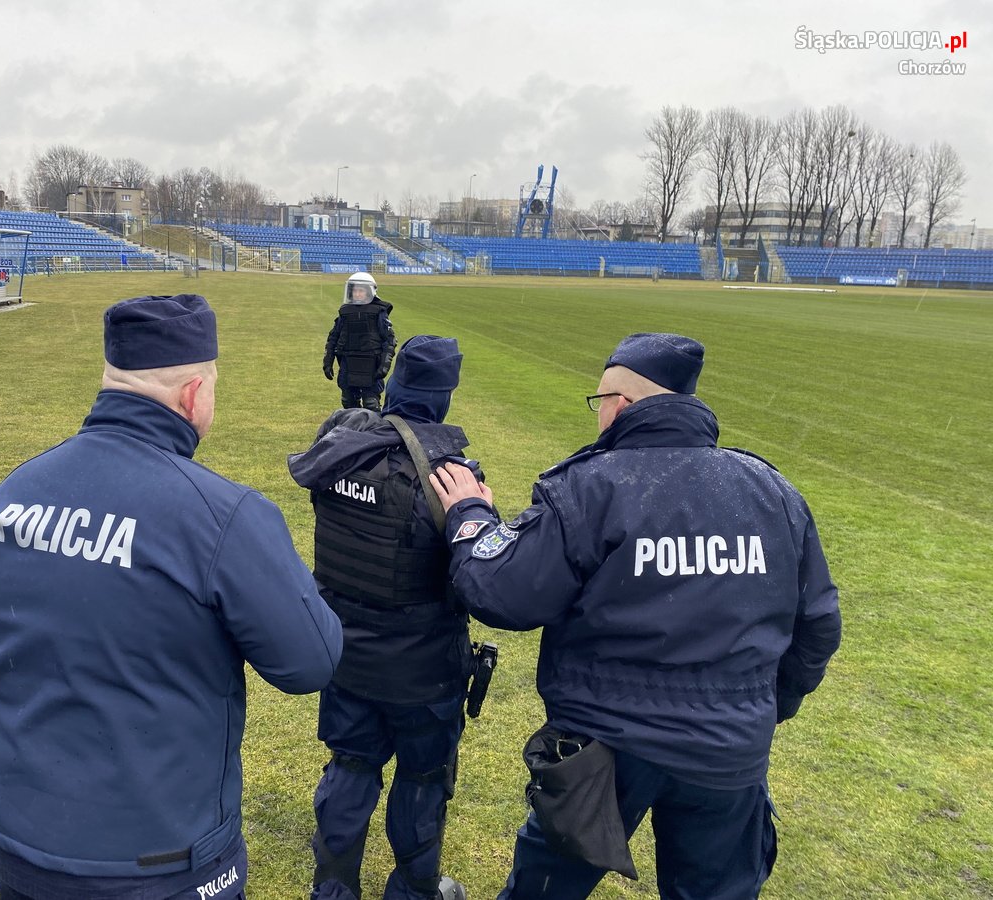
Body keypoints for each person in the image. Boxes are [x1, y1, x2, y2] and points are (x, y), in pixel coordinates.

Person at [429, 333, 842, 900]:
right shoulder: (772, 491)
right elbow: (818, 623)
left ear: (620, 405)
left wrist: (469, 514)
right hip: (727, 745)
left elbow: (503, 593)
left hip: (605, 745)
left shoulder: (592, 484)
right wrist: (765, 705)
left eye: (598, 403)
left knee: (547, 887)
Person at [0, 293, 343, 900]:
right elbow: (310, 661)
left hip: (19, 840)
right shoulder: (223, 517)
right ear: (194, 394)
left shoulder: (7, 497)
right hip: (158, 862)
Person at [289, 335, 475, 900]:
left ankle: (334, 888)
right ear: (444, 397)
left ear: (394, 382)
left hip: (345, 651)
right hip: (423, 668)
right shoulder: (449, 473)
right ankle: (415, 890)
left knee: (350, 763)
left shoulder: (338, 447)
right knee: (422, 777)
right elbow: (472, 574)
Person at [323, 272, 397, 411]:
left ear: (370, 291)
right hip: (348, 363)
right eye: (355, 290)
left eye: (361, 291)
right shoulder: (345, 312)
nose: (357, 294)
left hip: (371, 364)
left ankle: (373, 431)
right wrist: (328, 361)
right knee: (348, 402)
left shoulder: (379, 312)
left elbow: (390, 340)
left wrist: (384, 364)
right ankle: (352, 430)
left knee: (371, 404)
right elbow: (333, 337)